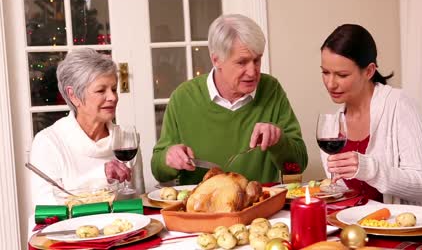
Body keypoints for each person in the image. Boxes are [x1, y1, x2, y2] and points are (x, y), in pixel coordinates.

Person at [151, 14, 308, 185]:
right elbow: (158, 171)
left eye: (257, 60)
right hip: (201, 208)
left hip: (260, 206)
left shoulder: (271, 90)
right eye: (242, 62)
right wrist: (168, 158)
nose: (252, 71)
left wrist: (279, 141)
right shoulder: (183, 97)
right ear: (216, 60)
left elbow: (298, 165)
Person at [319, 24, 422, 206]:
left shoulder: (398, 105)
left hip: (402, 228)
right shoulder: (333, 126)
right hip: (354, 227)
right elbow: (341, 192)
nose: (330, 84)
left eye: (341, 75)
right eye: (325, 72)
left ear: (369, 71)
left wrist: (370, 169)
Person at [29, 48, 144, 205]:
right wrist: (101, 177)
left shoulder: (126, 139)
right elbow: (46, 208)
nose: (113, 97)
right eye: (101, 90)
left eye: (114, 89)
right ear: (73, 95)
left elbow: (139, 201)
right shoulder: (48, 143)